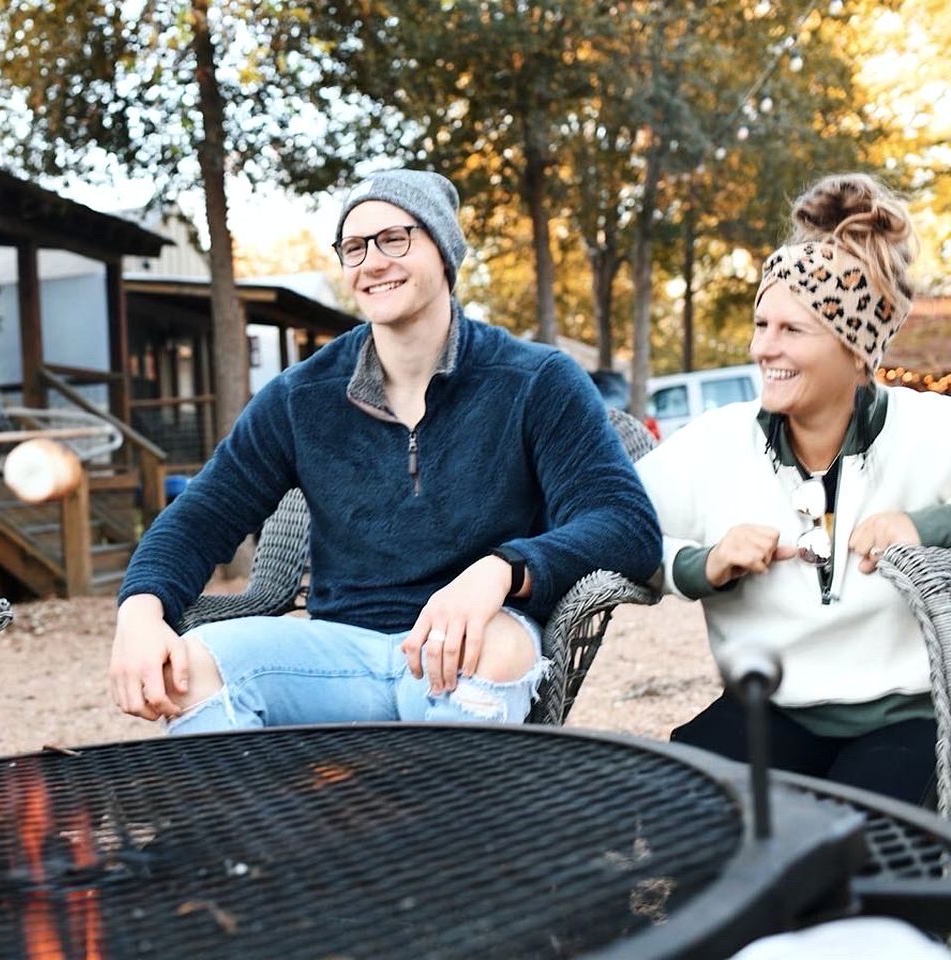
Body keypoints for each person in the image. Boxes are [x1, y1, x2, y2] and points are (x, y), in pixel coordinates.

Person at [109, 170, 661, 732]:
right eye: (354, 247)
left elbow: (627, 526)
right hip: (341, 655)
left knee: (496, 651)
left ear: (444, 252)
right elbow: (201, 516)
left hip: (477, 642)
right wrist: (140, 611)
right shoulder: (301, 398)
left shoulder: (535, 380)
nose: (372, 262)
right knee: (192, 668)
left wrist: (501, 570)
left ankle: (457, 820)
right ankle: (260, 823)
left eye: (395, 239)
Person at [635, 173, 951, 805]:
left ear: (855, 348)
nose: (763, 348)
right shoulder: (716, 442)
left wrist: (926, 527)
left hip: (905, 720)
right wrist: (701, 565)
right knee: (682, 807)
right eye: (761, 324)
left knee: (860, 849)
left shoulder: (929, 430)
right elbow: (614, 525)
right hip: (771, 709)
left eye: (791, 330)